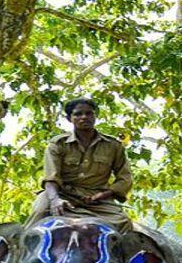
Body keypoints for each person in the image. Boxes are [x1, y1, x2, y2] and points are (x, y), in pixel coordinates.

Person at [28, 98, 133, 232]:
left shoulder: (113, 146)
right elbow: (50, 177)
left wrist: (105, 194)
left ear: (95, 116)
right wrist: (55, 200)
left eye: (89, 113)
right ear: (69, 118)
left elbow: (125, 177)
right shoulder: (58, 144)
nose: (84, 117)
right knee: (39, 214)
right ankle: (18, 250)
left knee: (124, 222)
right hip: (62, 194)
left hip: (98, 199)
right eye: (78, 114)